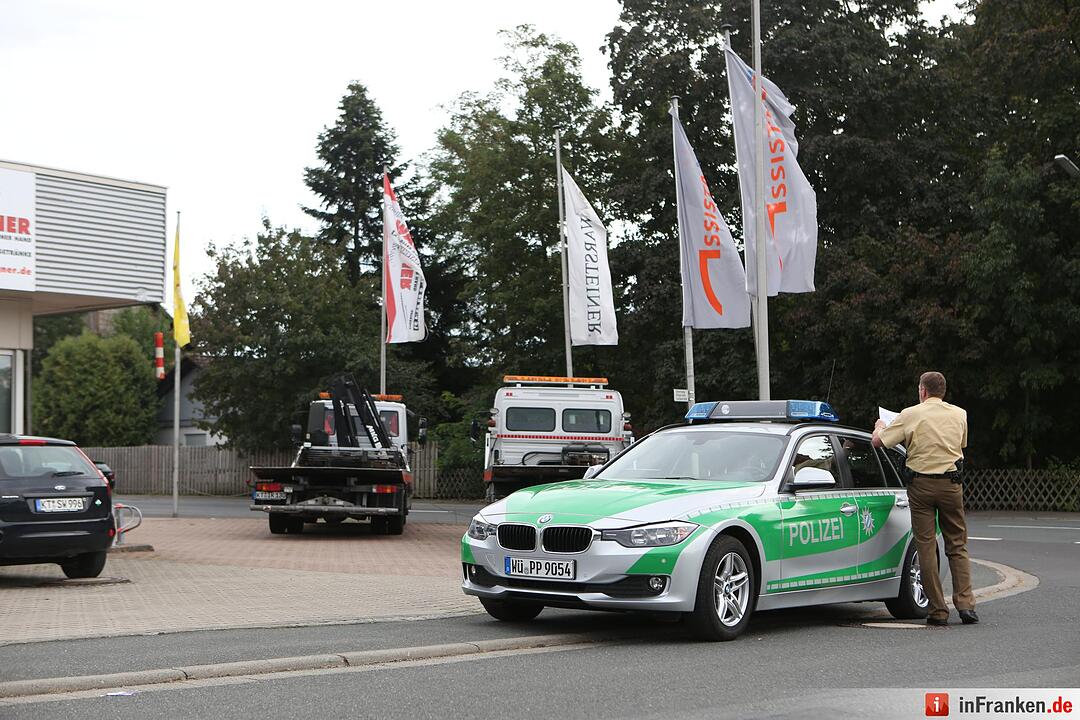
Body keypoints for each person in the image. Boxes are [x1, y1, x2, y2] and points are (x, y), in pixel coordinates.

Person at [872, 371, 978, 626]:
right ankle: (966, 606)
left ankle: (938, 611)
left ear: (923, 391)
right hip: (951, 485)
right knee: (957, 544)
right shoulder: (959, 414)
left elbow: (879, 442)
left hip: (920, 486)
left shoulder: (910, 414)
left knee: (926, 546)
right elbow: (961, 445)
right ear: (943, 391)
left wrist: (880, 426)